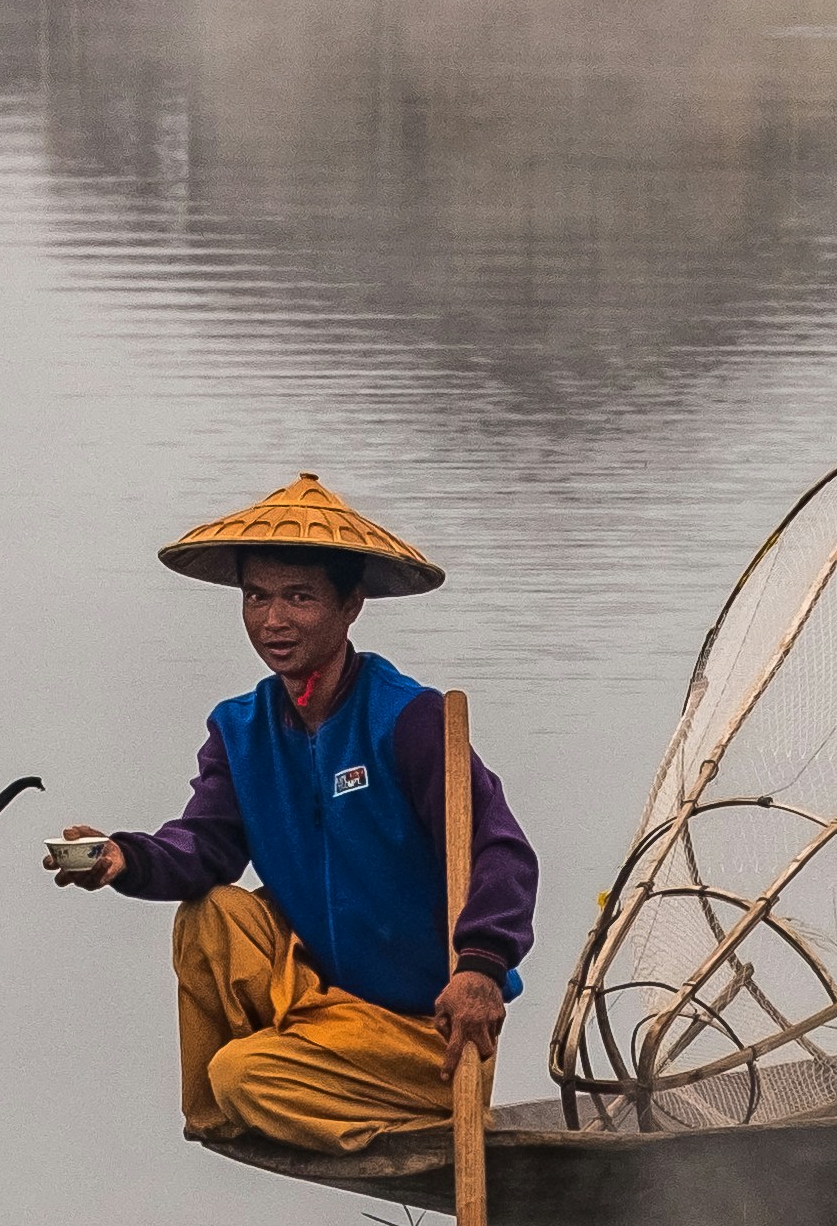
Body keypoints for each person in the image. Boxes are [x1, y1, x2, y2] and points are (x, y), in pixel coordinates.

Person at [43, 476, 532, 1152]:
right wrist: (124, 857)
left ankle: (403, 1110)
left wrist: (481, 967)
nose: (273, 620)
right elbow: (205, 847)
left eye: (299, 597)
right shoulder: (241, 728)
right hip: (323, 1002)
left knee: (243, 1074)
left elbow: (501, 851)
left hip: (428, 1034)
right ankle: (240, 1105)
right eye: (257, 596)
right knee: (210, 915)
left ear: (350, 606)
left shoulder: (410, 720)